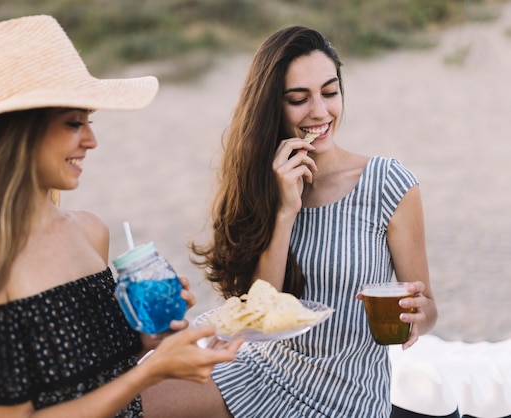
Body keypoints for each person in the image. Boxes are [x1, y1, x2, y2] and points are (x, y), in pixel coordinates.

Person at [0, 15, 242, 418]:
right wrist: (149, 375)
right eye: (74, 123)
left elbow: (89, 371)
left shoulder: (90, 231)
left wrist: (152, 340)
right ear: (16, 134)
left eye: (89, 121)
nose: (91, 140)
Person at [141, 25, 438, 417]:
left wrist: (419, 314)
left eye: (330, 92)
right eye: (299, 99)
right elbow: (259, 311)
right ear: (273, 108)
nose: (320, 111)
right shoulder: (262, 182)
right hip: (262, 370)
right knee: (128, 400)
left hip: (346, 397)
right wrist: (284, 210)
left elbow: (428, 306)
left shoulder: (388, 183)